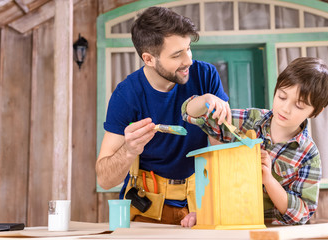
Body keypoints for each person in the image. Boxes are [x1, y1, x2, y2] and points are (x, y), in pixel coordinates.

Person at [95, 6, 228, 225]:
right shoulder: (126, 95)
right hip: (147, 208)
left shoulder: (206, 76)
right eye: (177, 55)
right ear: (148, 59)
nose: (188, 61)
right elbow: (105, 179)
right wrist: (129, 150)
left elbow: (220, 151)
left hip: (202, 203)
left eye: (188, 49)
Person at [180, 57, 328, 226]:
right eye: (282, 97)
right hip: (227, 222)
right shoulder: (248, 120)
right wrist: (206, 100)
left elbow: (301, 214)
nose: (285, 108)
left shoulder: (308, 155)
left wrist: (268, 180)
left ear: (316, 111)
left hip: (271, 230)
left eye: (299, 105)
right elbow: (189, 113)